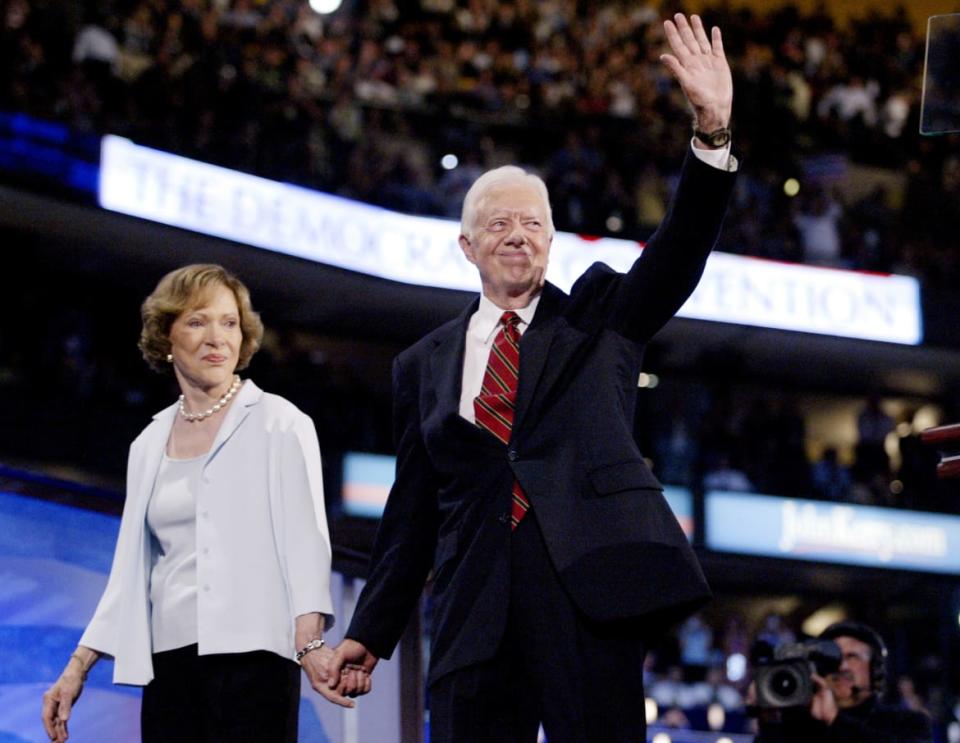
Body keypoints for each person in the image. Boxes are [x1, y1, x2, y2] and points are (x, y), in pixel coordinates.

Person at [319, 13, 737, 742]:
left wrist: (711, 137)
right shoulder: (421, 365)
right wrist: (373, 630)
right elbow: (413, 509)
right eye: (500, 223)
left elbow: (676, 254)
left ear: (552, 238)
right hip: (472, 611)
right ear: (467, 245)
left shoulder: (600, 318)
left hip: (585, 594)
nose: (517, 234)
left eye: (533, 223)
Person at [40, 264, 354, 743]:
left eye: (229, 323)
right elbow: (131, 576)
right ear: (166, 337)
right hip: (169, 666)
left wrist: (309, 643)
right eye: (196, 321)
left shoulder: (279, 421)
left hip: (256, 661)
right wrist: (76, 668)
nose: (216, 337)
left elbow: (306, 545)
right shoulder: (147, 443)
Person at [754, 620, 933, 742]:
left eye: (852, 657)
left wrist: (835, 720)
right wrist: (769, 722)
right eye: (833, 659)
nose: (842, 667)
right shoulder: (797, 725)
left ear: (876, 668)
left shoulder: (909, 723)